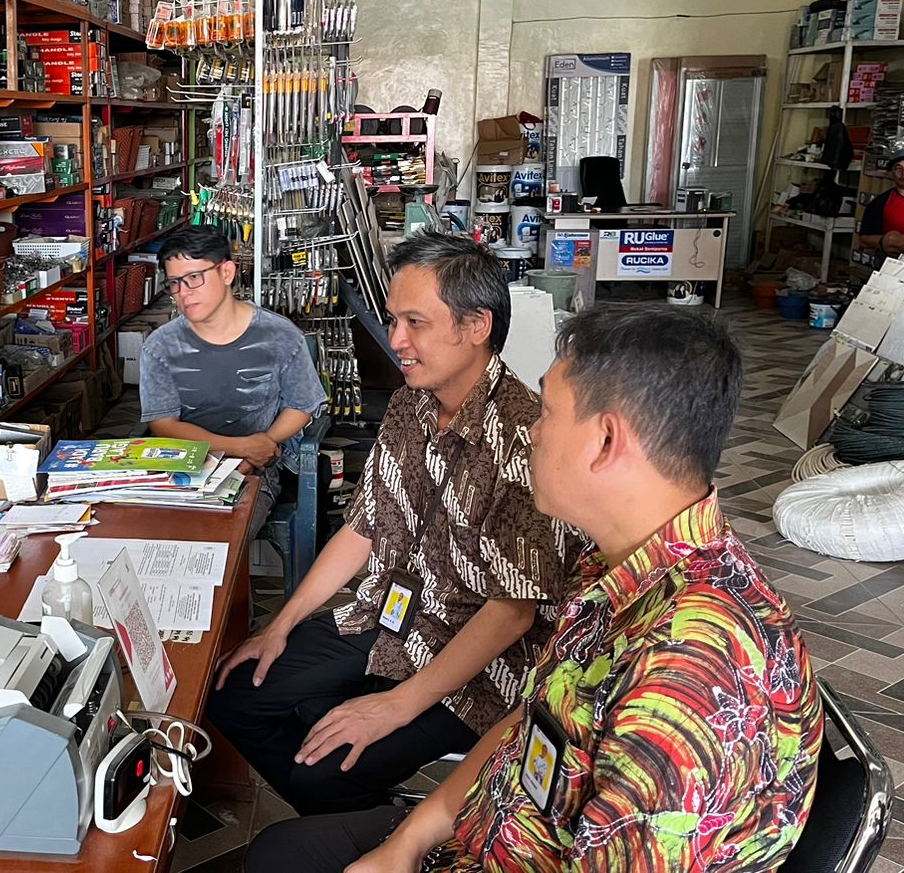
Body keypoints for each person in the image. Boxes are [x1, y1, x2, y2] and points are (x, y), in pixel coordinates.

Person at [247, 305, 823, 873]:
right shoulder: (615, 566)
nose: (531, 431)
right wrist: (409, 841)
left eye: (547, 413)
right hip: (485, 826)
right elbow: (533, 719)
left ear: (606, 441)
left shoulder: (687, 677)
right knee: (281, 848)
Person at [206, 234, 584, 816]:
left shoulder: (521, 439)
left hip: (478, 660)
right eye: (393, 320)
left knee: (323, 769)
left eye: (415, 323)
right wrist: (282, 624)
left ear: (476, 325)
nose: (396, 340)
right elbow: (363, 525)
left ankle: (378, 833)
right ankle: (365, 821)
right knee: (234, 696)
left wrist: (396, 705)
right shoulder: (412, 402)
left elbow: (512, 612)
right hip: (390, 615)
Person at [138, 226, 326, 536]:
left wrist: (260, 449)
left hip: (256, 472)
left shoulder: (279, 336)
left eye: (194, 278)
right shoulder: (160, 347)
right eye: (174, 283)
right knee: (148, 535)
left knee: (218, 539)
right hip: (183, 463)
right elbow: (164, 424)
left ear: (226, 272)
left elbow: (301, 405)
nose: (184, 293)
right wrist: (241, 447)